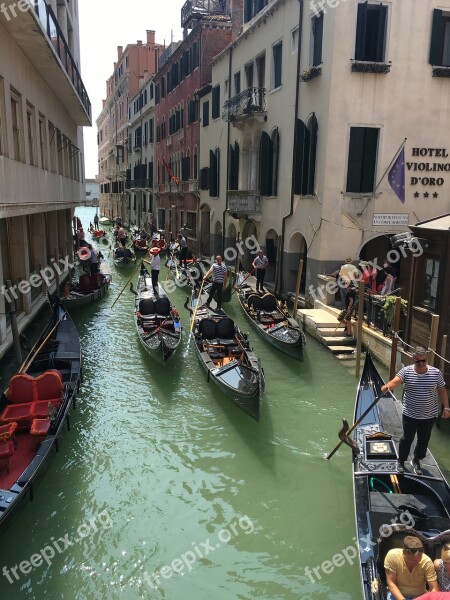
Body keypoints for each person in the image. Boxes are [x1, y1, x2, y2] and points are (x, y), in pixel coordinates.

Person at [381, 347, 449, 474]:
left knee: (424, 440)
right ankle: (401, 461)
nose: (422, 363)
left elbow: (442, 390)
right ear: (414, 359)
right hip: (410, 414)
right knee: (407, 438)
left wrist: (446, 407)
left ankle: (416, 460)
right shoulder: (406, 371)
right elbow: (395, 382)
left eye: (424, 361)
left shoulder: (435, 373)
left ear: (426, 359)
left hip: (429, 415)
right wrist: (387, 386)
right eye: (419, 361)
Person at [384, 535, 438, 599]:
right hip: (398, 595)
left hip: (420, 597)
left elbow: (434, 588)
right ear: (404, 552)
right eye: (412, 560)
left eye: (419, 560)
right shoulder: (392, 556)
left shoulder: (426, 562)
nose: (416, 563)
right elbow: (391, 583)